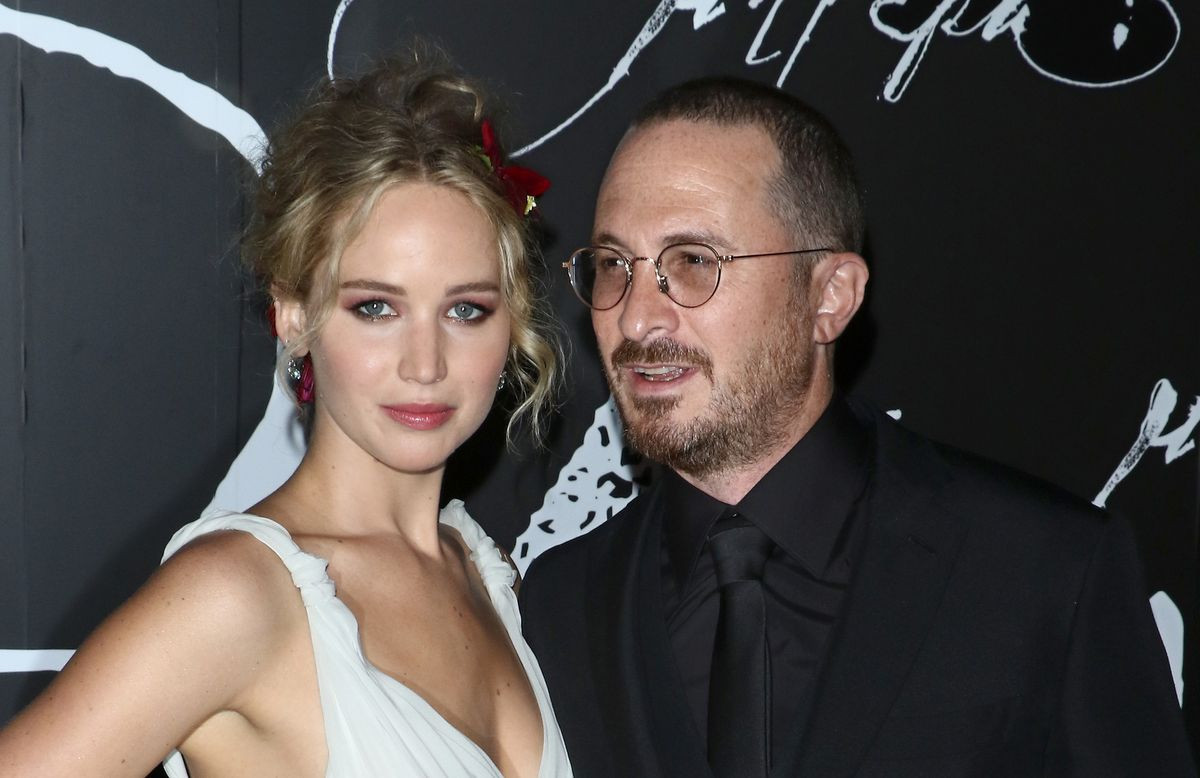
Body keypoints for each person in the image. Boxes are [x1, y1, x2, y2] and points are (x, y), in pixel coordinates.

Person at [519, 76, 1194, 777]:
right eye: (613, 265)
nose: (635, 318)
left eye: (693, 262)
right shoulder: (559, 603)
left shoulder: (1045, 570)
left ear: (830, 297)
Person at [0, 52, 570, 778]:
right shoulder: (236, 594)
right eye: (376, 308)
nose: (424, 365)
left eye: (465, 310)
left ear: (511, 322)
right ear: (295, 313)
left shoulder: (488, 575)